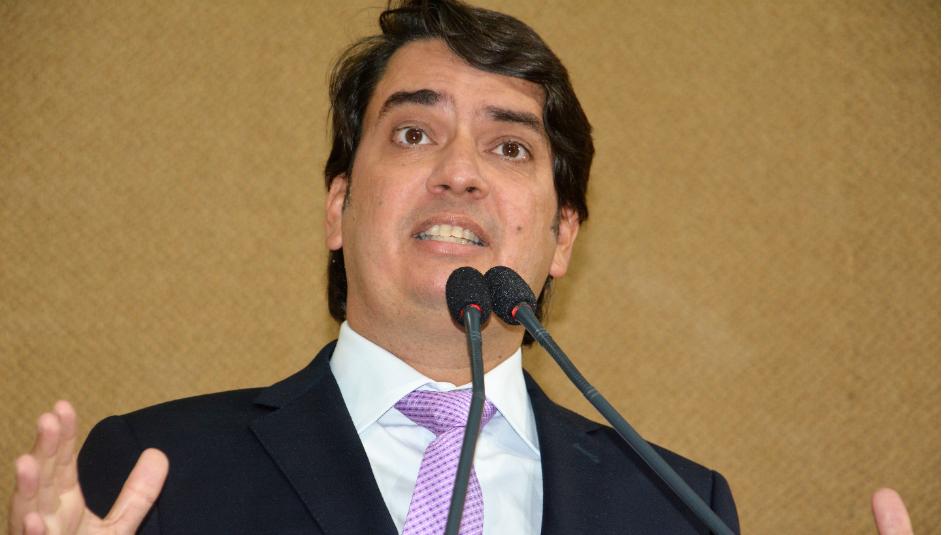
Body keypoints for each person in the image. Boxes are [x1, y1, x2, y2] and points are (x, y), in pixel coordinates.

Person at [6, 1, 914, 534]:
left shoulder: (674, 505)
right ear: (337, 207)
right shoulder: (158, 471)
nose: (459, 171)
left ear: (561, 237)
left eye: (509, 147)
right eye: (414, 132)